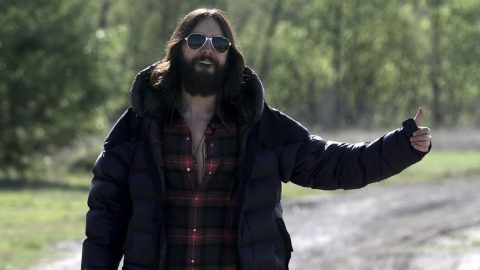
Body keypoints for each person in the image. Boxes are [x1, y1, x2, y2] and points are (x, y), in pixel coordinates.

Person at [81, 8, 432, 270]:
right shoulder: (139, 126)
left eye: (220, 43)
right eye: (196, 40)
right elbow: (105, 219)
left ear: (229, 57)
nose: (208, 49)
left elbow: (334, 165)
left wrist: (401, 146)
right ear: (177, 50)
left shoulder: (260, 126)